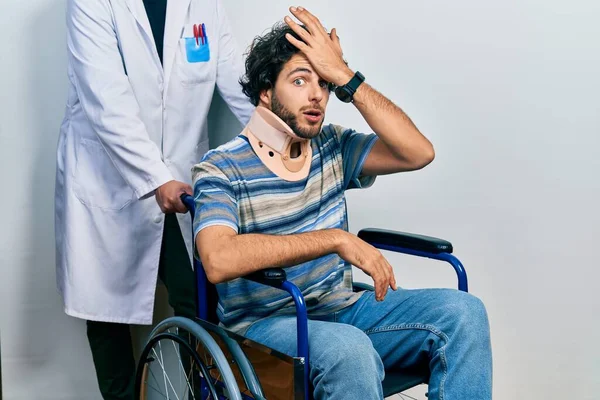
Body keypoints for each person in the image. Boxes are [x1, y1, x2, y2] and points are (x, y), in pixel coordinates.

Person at [191, 6, 492, 400]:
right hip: (265, 328)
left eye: (324, 83)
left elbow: (418, 152)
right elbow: (218, 260)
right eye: (300, 81)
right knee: (347, 349)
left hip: (345, 310)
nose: (317, 94)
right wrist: (335, 239)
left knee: (464, 314)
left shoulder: (333, 145)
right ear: (266, 92)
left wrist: (347, 78)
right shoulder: (220, 167)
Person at [54, 0, 254, 398]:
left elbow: (238, 82)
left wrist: (286, 135)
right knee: (107, 316)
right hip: (108, 178)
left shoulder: (204, 4)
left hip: (181, 179)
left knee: (198, 299)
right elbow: (106, 100)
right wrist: (156, 177)